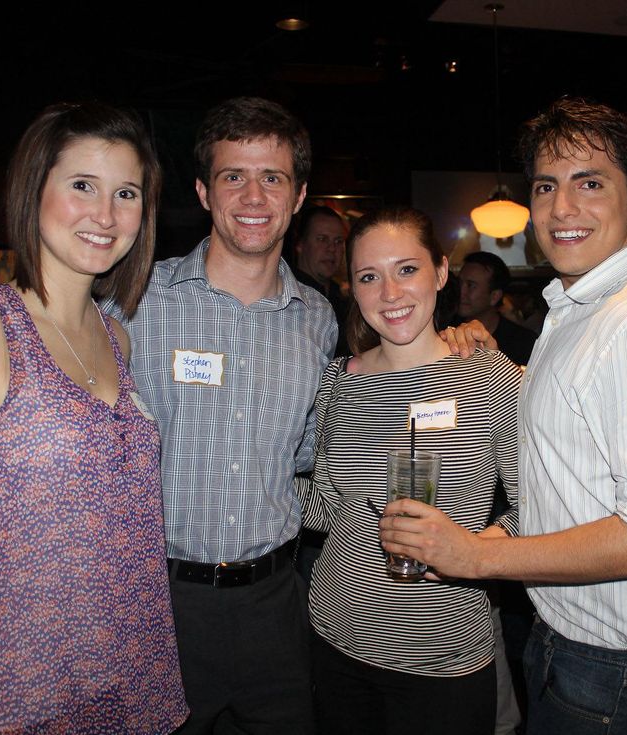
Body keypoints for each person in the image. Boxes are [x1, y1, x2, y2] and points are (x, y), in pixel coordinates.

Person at [380, 98, 627, 734]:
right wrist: (497, 537)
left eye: (589, 183)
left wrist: (478, 559)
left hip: (623, 668)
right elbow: (572, 481)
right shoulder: (577, 309)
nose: (562, 209)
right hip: (577, 648)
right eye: (547, 186)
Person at [0, 102, 186, 733]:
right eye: (82, 186)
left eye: (126, 193)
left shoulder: (116, 340)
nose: (105, 215)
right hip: (11, 700)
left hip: (137, 692)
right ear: (32, 191)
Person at [113, 97, 336, 734]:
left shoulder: (317, 321)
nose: (253, 195)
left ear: (297, 197)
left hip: (277, 603)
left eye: (273, 177)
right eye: (233, 176)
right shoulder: (136, 301)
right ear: (204, 192)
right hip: (160, 602)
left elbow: (309, 456)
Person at [302, 206, 522, 735]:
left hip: (444, 654)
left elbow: (535, 507)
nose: (390, 294)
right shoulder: (337, 381)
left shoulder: (490, 378)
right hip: (335, 634)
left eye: (407, 270)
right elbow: (329, 510)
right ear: (351, 287)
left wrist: (480, 551)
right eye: (369, 277)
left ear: (441, 273)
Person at [457, 251, 536, 365]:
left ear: (494, 296)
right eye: (459, 283)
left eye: (471, 286)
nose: (461, 292)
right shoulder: (447, 331)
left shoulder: (522, 341)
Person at [291, 205, 351, 356]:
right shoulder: (286, 297)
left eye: (338, 241)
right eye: (322, 239)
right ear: (300, 244)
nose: (332, 248)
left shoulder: (346, 301)